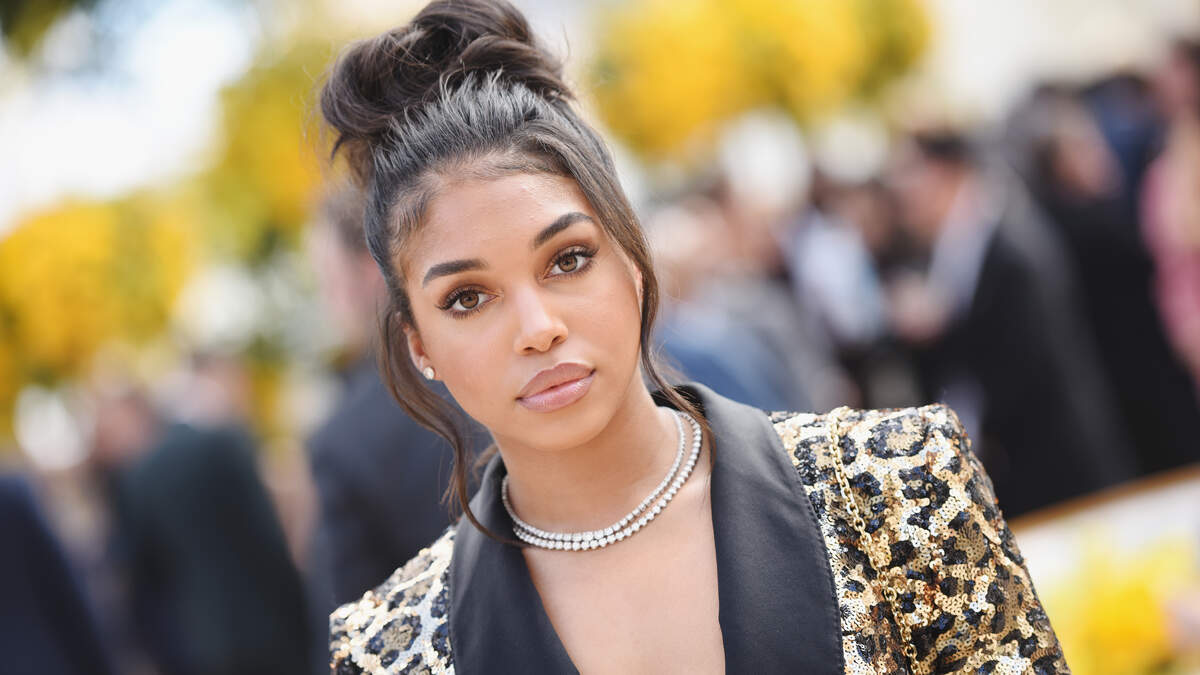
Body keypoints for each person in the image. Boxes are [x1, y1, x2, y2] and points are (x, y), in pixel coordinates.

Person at [320, 1, 1067, 672]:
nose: (538, 328)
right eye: (467, 298)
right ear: (419, 346)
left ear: (634, 260)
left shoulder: (903, 485)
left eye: (568, 259)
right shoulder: (392, 651)